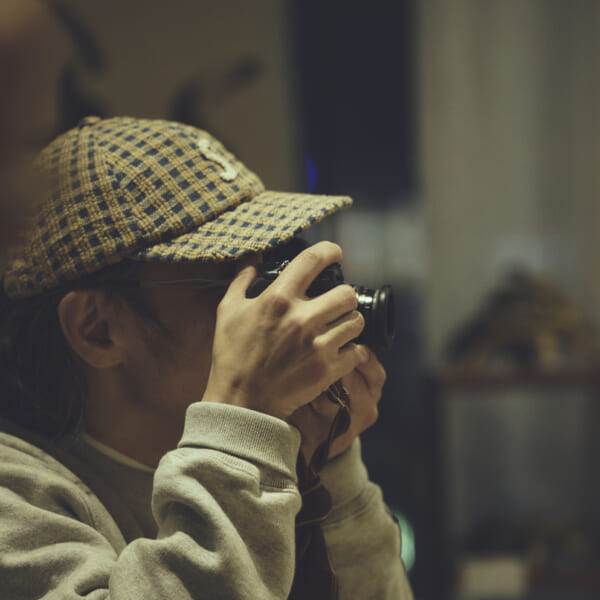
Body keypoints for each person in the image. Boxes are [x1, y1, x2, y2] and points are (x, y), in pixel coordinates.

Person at [0, 116, 414, 599]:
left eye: (271, 264)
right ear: (98, 329)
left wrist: (327, 469)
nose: (277, 308)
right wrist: (239, 422)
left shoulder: (258, 464)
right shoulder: (16, 499)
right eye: (232, 283)